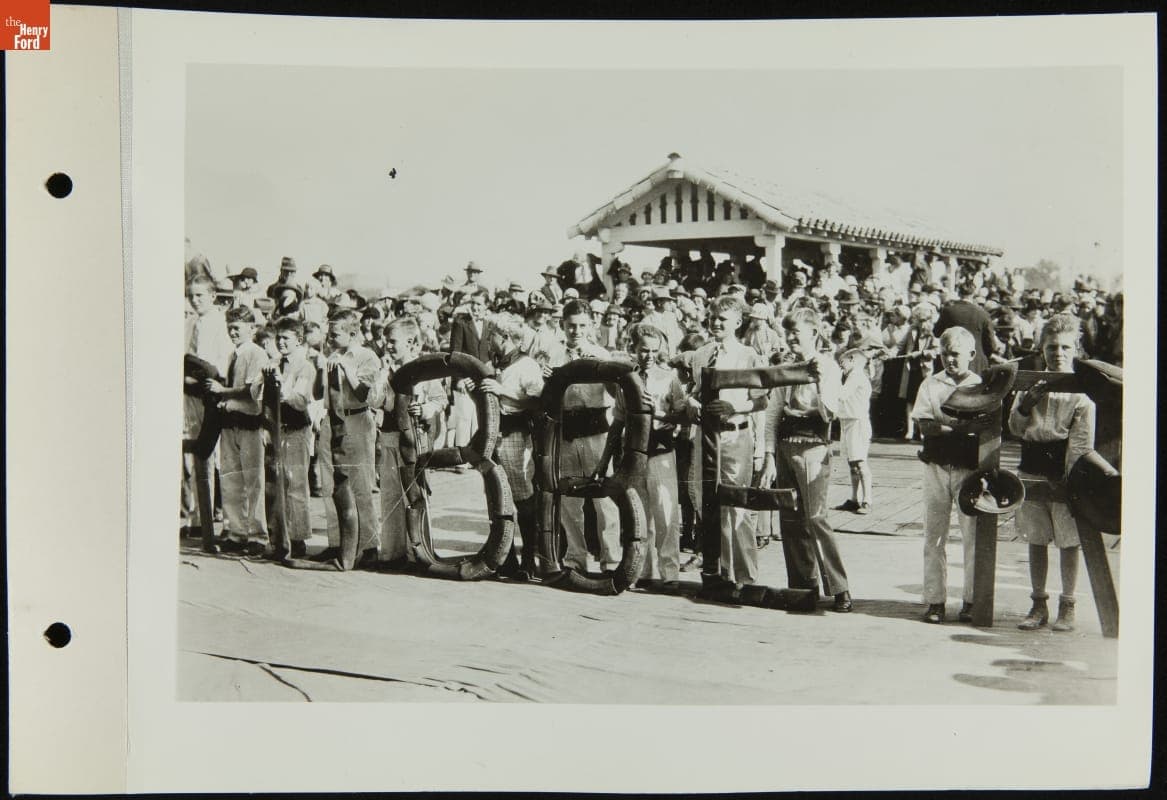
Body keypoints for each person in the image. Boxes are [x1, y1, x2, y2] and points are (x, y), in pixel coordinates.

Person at [758, 307, 852, 612]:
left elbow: (830, 411)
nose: (791, 338)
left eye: (796, 332)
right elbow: (773, 413)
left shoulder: (827, 366)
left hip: (813, 448)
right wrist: (769, 456)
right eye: (788, 332)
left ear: (814, 332)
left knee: (815, 518)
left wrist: (820, 380)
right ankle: (803, 587)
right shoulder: (787, 367)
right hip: (785, 447)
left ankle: (839, 588)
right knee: (790, 520)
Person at [1009, 314, 1096, 632]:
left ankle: (1068, 604)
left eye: (1064, 347)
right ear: (1041, 349)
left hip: (1063, 470)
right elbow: (1016, 429)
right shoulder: (1030, 384)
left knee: (1068, 542)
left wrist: (1069, 478)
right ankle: (1037, 604)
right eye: (1051, 347)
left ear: (1075, 349)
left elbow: (1082, 441)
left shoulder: (1081, 393)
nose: (1057, 353)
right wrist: (1024, 406)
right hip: (1031, 466)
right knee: (1036, 538)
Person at [911, 326, 995, 624]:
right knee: (934, 535)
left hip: (968, 470)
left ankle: (971, 600)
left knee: (972, 536)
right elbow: (926, 426)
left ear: (971, 355)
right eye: (945, 354)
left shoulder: (982, 385)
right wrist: (963, 429)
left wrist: (951, 429)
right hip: (935, 467)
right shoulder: (930, 384)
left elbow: (987, 427)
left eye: (956, 354)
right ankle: (935, 601)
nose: (950, 360)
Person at [598, 324, 688, 590]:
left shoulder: (669, 378)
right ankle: (644, 570)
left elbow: (683, 415)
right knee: (640, 514)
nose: (648, 356)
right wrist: (604, 460)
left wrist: (657, 414)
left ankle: (670, 573)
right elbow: (618, 421)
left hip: (661, 450)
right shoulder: (626, 380)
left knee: (666, 512)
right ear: (633, 349)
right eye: (643, 350)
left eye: (653, 351)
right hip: (634, 452)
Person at [688, 296, 770, 590]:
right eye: (712, 317)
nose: (715, 323)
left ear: (737, 322)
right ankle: (721, 574)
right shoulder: (702, 354)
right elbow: (695, 392)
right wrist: (691, 403)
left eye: (722, 319)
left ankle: (746, 578)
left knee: (736, 505)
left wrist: (734, 408)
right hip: (707, 437)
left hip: (735, 434)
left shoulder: (748, 356)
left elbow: (762, 401)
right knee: (709, 503)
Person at [552, 299, 622, 573]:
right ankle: (575, 558)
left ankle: (612, 560)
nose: (576, 331)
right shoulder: (553, 355)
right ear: (562, 325)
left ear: (591, 325)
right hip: (566, 431)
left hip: (595, 430)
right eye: (571, 326)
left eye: (582, 326)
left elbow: (617, 395)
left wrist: (603, 372)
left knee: (604, 499)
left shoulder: (601, 354)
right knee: (570, 501)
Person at [475, 313, 545, 579]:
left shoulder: (526, 365)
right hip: (492, 436)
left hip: (516, 435)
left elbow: (538, 401)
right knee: (496, 495)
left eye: (490, 333)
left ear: (504, 337)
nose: (486, 337)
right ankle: (505, 557)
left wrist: (503, 391)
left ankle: (530, 558)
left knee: (522, 496)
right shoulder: (492, 364)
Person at [376, 315, 448, 569]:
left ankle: (417, 551)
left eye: (393, 342)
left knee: (415, 494)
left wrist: (425, 408)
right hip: (389, 436)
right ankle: (392, 553)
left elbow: (441, 400)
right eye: (386, 342)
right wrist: (383, 378)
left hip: (414, 439)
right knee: (390, 495)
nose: (389, 346)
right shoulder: (386, 371)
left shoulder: (424, 370)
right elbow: (378, 402)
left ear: (411, 342)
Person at [205, 305, 270, 555]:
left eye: (237, 328)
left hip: (249, 422)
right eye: (229, 328)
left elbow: (252, 389)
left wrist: (223, 391)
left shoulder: (257, 354)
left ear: (251, 329)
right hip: (229, 422)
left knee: (254, 481)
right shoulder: (233, 355)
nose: (232, 332)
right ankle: (236, 532)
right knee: (231, 479)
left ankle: (258, 535)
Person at [325, 308, 383, 567]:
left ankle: (369, 545)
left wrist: (347, 368)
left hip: (357, 419)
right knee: (333, 484)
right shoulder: (332, 354)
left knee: (361, 483)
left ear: (352, 333)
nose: (330, 338)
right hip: (334, 420)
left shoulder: (366, 356)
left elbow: (363, 394)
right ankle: (338, 542)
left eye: (335, 334)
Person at [182, 276, 233, 537]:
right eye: (191, 295)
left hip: (211, 392)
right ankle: (195, 518)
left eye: (200, 295)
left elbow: (223, 362)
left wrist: (208, 379)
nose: (195, 300)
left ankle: (220, 519)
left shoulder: (220, 323)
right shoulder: (189, 322)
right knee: (192, 457)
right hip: (189, 392)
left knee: (215, 457)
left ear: (213, 296)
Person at [265, 317, 317, 559]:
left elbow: (300, 400)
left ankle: (298, 539)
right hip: (276, 429)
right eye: (278, 338)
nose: (281, 342)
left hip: (297, 430)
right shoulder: (273, 363)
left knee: (296, 484)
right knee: (277, 484)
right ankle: (279, 537)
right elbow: (256, 393)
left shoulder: (305, 367)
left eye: (286, 338)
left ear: (298, 340)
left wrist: (281, 386)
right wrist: (264, 380)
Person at [448, 287, 498, 467]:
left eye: (479, 304)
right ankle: (460, 459)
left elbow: (493, 354)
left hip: (483, 378)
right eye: (473, 304)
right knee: (464, 418)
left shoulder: (490, 326)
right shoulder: (461, 323)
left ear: (486, 306)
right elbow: (455, 353)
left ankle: (476, 455)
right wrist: (459, 379)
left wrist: (491, 372)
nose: (475, 308)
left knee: (480, 417)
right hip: (465, 379)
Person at [836, 345, 874, 514]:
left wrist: (833, 377)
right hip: (847, 422)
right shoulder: (852, 375)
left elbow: (841, 394)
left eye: (841, 362)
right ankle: (854, 499)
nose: (840, 365)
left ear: (852, 359)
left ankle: (867, 500)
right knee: (852, 463)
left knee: (860, 462)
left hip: (857, 423)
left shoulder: (856, 376)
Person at [934, 279, 999, 374]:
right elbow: (991, 345)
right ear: (974, 294)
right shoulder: (983, 314)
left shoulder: (948, 311)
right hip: (974, 364)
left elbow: (936, 333)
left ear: (959, 293)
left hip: (950, 362)